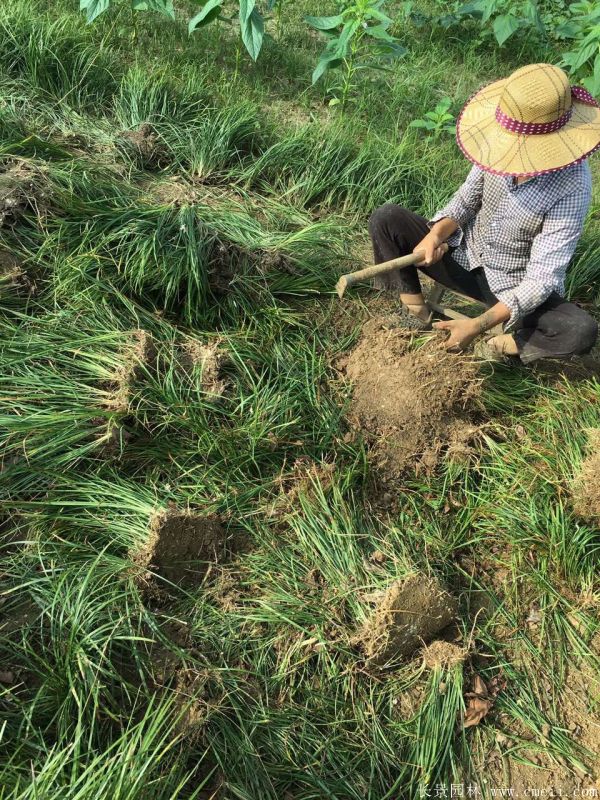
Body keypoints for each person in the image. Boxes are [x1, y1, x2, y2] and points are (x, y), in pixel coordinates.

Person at [369, 63, 600, 362]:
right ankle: (418, 314)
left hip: (511, 286)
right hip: (464, 255)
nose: (514, 158)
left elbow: (542, 279)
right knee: (386, 219)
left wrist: (478, 326)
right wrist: (435, 235)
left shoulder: (572, 186)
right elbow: (466, 201)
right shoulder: (498, 142)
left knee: (580, 331)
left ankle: (495, 347)